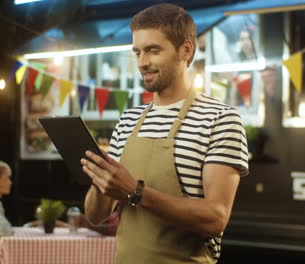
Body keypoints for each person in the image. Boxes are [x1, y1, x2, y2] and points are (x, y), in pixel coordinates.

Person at [82, 3, 249, 264]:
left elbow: (216, 218)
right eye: (137, 52)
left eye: (153, 50)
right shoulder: (128, 120)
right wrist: (99, 176)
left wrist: (135, 191)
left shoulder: (220, 119)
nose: (142, 62)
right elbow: (96, 215)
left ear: (185, 50)